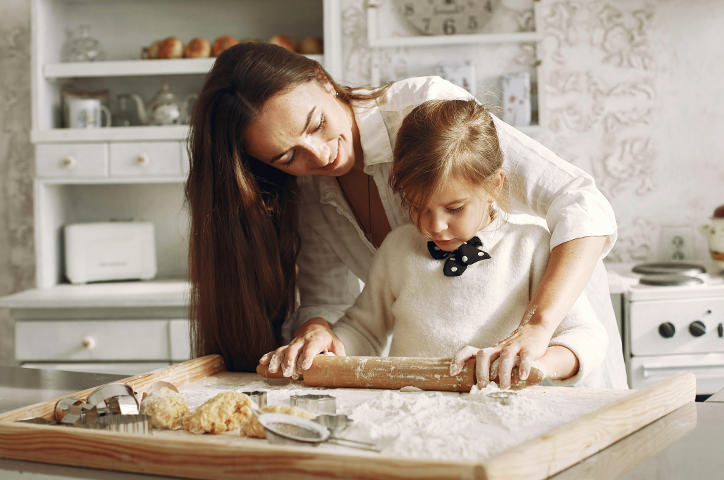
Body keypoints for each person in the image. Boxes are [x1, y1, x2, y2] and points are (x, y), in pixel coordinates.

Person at [186, 42, 626, 388]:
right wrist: (319, 332)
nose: (319, 156)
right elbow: (335, 303)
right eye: (287, 157)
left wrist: (537, 328)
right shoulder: (311, 189)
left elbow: (580, 202)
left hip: (550, 347)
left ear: (321, 78)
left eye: (317, 124)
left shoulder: (426, 113)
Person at [319, 99, 608, 388]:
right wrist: (325, 345)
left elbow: (586, 337)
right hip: (411, 417)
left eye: (455, 208)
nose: (434, 226)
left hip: (499, 420)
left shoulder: (530, 247)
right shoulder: (398, 249)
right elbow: (363, 331)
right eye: (417, 207)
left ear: (494, 185)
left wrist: (535, 364)